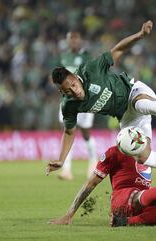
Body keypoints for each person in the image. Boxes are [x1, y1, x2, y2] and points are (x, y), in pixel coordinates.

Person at [46, 20, 156, 186]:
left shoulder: (91, 69)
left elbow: (118, 50)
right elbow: (69, 132)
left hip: (133, 91)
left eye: (74, 85)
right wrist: (61, 160)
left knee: (141, 105)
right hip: (125, 116)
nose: (74, 91)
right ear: (62, 92)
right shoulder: (68, 105)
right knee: (143, 157)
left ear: (75, 77)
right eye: (68, 91)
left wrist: (140, 35)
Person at [49, 143, 156, 227]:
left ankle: (128, 221)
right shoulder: (119, 152)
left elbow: (90, 184)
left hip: (135, 201)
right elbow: (91, 184)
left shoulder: (142, 152)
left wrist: (69, 214)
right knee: (144, 197)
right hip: (130, 198)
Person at [56, 30, 97, 180]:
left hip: (84, 100)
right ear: (67, 41)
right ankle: (66, 170)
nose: (73, 41)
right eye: (70, 39)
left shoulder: (87, 56)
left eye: (75, 39)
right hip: (67, 100)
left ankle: (93, 163)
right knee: (68, 131)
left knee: (86, 133)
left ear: (80, 40)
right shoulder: (63, 57)